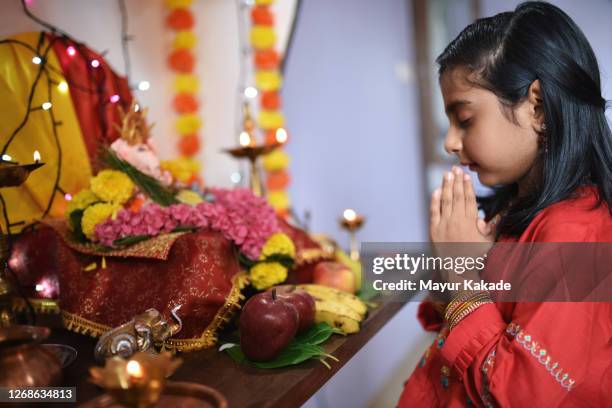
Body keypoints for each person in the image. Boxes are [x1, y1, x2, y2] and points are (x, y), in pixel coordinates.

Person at [397, 2, 612, 407]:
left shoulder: (577, 235)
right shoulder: (518, 206)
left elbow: (517, 396)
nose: (449, 142)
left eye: (465, 118)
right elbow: (451, 321)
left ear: (538, 107)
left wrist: (463, 276)